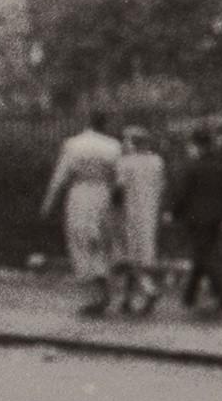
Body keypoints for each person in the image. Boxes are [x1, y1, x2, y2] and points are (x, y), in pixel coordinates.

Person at [42, 111, 124, 316]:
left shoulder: (74, 144)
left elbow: (60, 176)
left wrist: (48, 202)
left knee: (79, 237)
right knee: (101, 239)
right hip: (103, 192)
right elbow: (119, 179)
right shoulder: (113, 146)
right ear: (105, 123)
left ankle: (94, 291)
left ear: (88, 123)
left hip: (80, 192)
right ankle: (103, 285)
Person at [169, 126, 222, 313]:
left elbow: (183, 193)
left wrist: (174, 212)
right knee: (203, 254)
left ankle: (221, 291)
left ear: (197, 145)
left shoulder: (192, 167)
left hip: (196, 218)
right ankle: (189, 295)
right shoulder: (219, 166)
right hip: (216, 217)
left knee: (203, 254)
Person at [110, 128, 164, 316]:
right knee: (141, 255)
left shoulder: (125, 163)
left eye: (126, 140)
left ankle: (149, 290)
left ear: (133, 143)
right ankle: (127, 299)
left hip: (129, 213)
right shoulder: (157, 162)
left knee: (129, 256)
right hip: (149, 214)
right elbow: (161, 186)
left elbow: (119, 189)